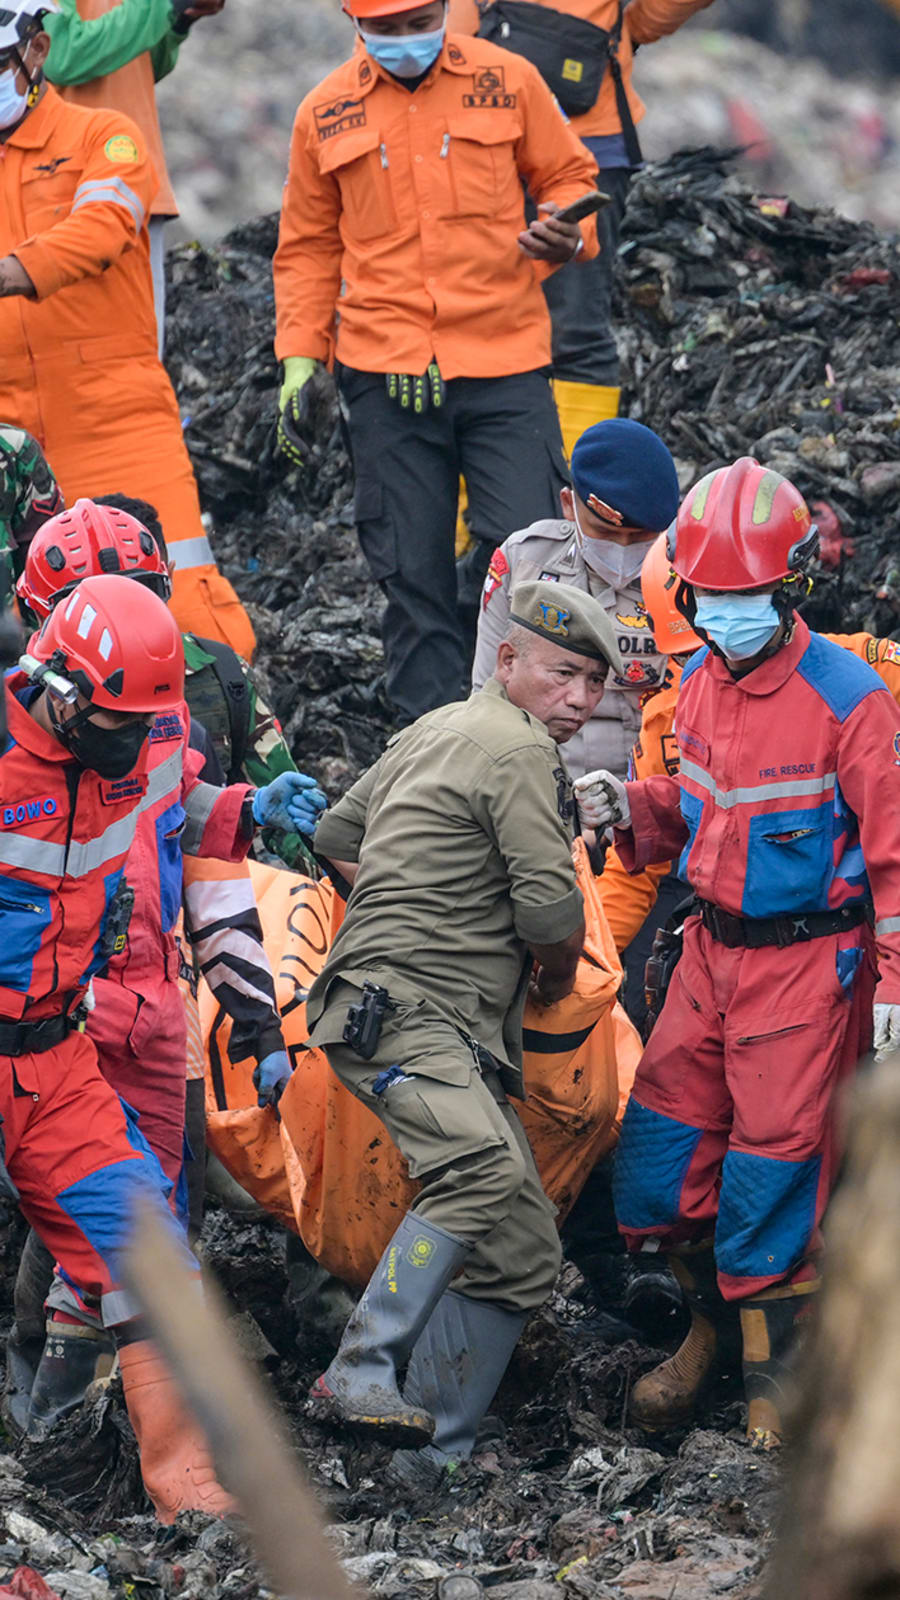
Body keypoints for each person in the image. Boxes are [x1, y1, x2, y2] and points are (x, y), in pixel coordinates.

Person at [577, 458, 900, 1448]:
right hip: (711, 957)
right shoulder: (699, 685)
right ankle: (711, 1334)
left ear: (789, 591)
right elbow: (702, 813)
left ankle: (778, 1383)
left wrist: (892, 991)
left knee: (773, 1173)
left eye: (739, 600)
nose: (720, 618)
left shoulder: (852, 704)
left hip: (805, 970)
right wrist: (628, 808)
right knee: (658, 1162)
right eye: (705, 600)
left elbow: (894, 857)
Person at [4, 503, 325, 1439]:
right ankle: (47, 1402)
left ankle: (90, 1434)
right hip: (72, 1002)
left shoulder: (174, 708)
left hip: (144, 1004)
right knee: (72, 1220)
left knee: (136, 1225)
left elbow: (207, 863)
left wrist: (257, 1021)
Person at [304, 579, 623, 1487]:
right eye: (563, 673)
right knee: (480, 1168)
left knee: (522, 1251)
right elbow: (552, 915)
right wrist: (550, 977)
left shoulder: (433, 728)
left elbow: (334, 832)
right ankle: (359, 1366)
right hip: (408, 1011)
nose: (578, 699)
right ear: (509, 660)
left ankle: (426, 1461)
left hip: (408, 1015)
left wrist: (414, 897)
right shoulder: (521, 752)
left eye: (595, 685)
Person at [273, 0, 602, 724]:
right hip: (386, 376)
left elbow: (572, 177)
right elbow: (306, 248)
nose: (404, 41)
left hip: (504, 361)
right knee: (410, 571)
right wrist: (300, 358)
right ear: (350, 20)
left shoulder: (507, 80)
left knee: (531, 552)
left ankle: (527, 736)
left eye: (417, 21)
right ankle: (429, 748)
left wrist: (568, 233)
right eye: (384, 29)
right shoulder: (324, 112)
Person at [0, 0, 255, 658]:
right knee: (26, 631)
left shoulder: (103, 136)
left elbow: (103, 226)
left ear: (34, 52)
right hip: (9, 440)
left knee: (184, 605)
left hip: (112, 411)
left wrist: (12, 272)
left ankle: (232, 753)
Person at [446, 0, 716, 457]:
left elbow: (410, 23)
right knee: (575, 332)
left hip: (471, 123)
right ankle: (577, 500)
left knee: (461, 317)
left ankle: (466, 514)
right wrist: (621, 33)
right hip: (586, 118)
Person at [91, 493, 317, 875]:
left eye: (139, 589)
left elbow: (282, 814)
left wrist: (336, 884)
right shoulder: (43, 699)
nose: (122, 612)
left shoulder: (222, 674)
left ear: (169, 577)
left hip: (211, 896)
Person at [43, 0, 227, 348]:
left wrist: (177, 20)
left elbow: (143, 64)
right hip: (66, 194)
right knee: (74, 350)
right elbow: (63, 56)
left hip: (137, 189)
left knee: (140, 347)